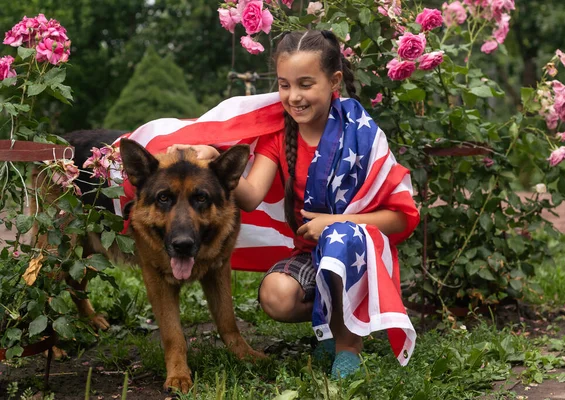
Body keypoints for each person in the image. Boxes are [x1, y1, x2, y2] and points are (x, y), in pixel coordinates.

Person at [168, 30, 420, 378]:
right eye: (284, 85)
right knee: (275, 296)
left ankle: (348, 346)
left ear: (334, 81)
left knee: (339, 244)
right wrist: (215, 161)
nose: (294, 96)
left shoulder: (361, 133)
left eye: (305, 84)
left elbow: (399, 217)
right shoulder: (280, 134)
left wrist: (332, 223)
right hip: (309, 254)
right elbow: (251, 196)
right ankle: (332, 321)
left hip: (357, 256)